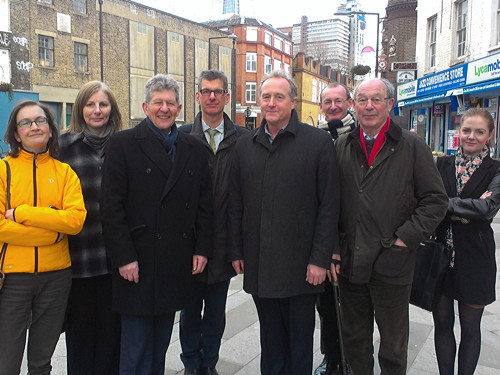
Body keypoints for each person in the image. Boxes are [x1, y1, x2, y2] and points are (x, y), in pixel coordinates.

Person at [100, 74, 213, 375]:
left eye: (170, 103)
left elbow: (205, 205)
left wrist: (202, 248)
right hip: (136, 261)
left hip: (173, 261)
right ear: (145, 106)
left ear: (179, 109)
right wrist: (124, 257)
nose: (164, 108)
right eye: (157, 102)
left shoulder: (194, 148)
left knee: (160, 345)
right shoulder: (123, 144)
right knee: (135, 347)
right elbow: (111, 208)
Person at [229, 70, 340, 375]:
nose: (272, 103)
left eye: (279, 96)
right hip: (261, 263)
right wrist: (237, 251)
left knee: (299, 346)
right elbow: (236, 203)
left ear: (293, 102)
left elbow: (329, 206)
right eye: (266, 96)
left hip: (303, 268)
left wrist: (320, 259)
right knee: (271, 344)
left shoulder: (317, 143)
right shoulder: (245, 145)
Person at [334, 78, 448, 375]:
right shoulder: (342, 144)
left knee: (393, 345)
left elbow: (435, 200)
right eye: (362, 100)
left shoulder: (411, 146)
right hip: (351, 260)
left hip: (392, 262)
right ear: (353, 105)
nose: (368, 106)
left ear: (390, 104)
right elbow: (330, 202)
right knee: (354, 339)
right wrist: (333, 249)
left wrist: (404, 239)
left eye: (376, 99)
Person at [0, 100, 86, 375]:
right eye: (25, 122)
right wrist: (52, 233)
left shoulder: (64, 173)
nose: (34, 126)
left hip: (56, 278)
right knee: (6, 360)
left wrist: (22, 212)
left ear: (51, 130)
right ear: (16, 133)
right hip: (12, 278)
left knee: (41, 361)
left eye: (40, 121)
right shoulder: (4, 170)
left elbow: (74, 221)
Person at [179, 70, 248, 375]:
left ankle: (210, 363)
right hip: (189, 244)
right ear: (197, 96)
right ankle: (192, 363)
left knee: (216, 313)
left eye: (217, 92)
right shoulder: (181, 137)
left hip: (224, 244)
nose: (211, 97)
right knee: (190, 312)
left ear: (226, 98)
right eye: (206, 91)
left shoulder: (244, 140)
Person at [59, 81, 123, 375]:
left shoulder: (126, 147)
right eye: (90, 104)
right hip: (79, 259)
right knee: (81, 336)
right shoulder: (62, 148)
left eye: (103, 104)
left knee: (113, 337)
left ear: (112, 109)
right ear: (80, 109)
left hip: (116, 260)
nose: (97, 111)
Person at [433, 108, 500, 375]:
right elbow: (426, 201)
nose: (471, 136)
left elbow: (488, 209)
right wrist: (468, 207)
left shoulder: (495, 169)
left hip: (476, 258)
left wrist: (446, 204)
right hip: (440, 255)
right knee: (443, 324)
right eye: (466, 130)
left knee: (471, 328)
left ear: (490, 136)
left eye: (479, 132)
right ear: (458, 132)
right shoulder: (441, 165)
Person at [315, 82, 355, 375]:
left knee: (355, 308)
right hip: (326, 239)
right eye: (327, 101)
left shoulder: (359, 136)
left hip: (358, 237)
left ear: (349, 102)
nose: (333, 106)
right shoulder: (316, 139)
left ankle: (354, 358)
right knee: (327, 306)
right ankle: (332, 358)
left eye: (338, 101)